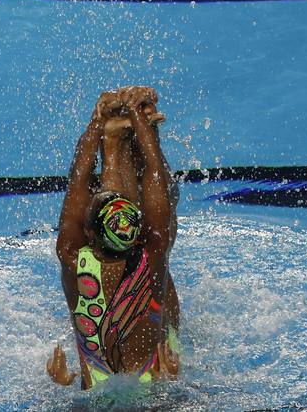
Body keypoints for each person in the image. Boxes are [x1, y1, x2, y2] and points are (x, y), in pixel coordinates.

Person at [46, 86, 182, 389]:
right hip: (157, 381)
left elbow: (77, 185)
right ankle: (123, 141)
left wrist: (96, 121)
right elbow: (155, 180)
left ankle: (112, 143)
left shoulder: (74, 261)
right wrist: (142, 124)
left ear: (87, 233)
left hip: (118, 388)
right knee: (163, 297)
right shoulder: (151, 257)